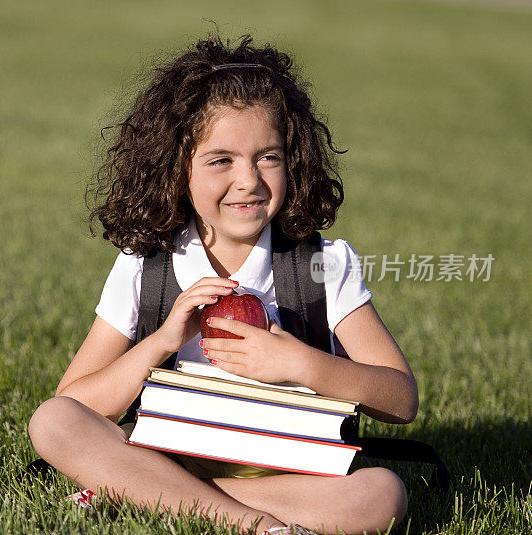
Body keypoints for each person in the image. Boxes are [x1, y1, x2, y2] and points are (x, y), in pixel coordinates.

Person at [28, 35, 418, 535]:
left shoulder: (321, 264)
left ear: (293, 160)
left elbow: (400, 398)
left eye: (268, 157)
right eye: (220, 160)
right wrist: (162, 340)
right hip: (172, 453)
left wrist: (300, 362)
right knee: (52, 422)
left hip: (287, 476)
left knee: (382, 494)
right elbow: (76, 405)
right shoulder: (147, 267)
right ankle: (250, 524)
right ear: (177, 169)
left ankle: (143, 492)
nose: (249, 180)